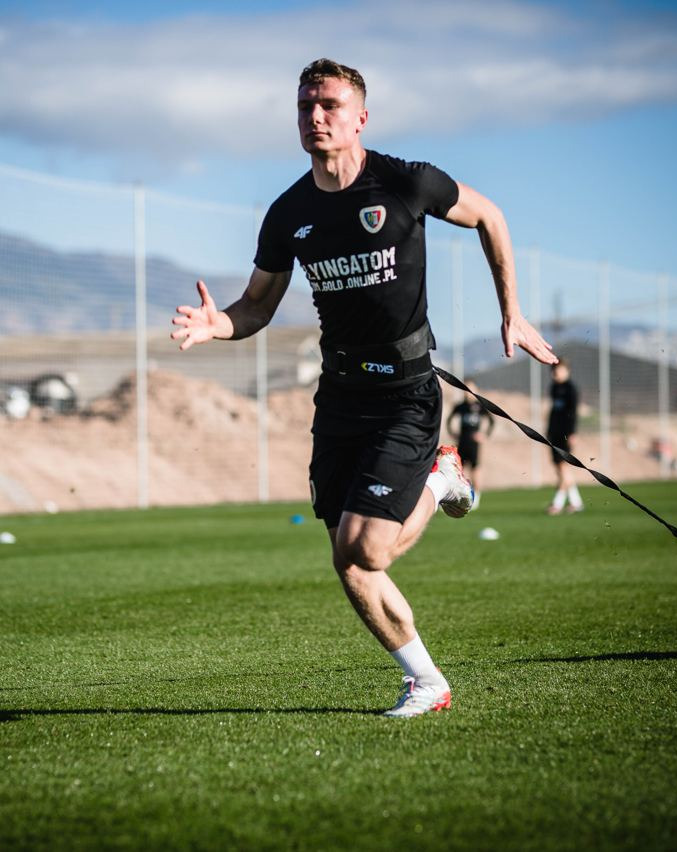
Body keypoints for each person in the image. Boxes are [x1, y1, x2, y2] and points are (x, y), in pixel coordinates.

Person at [171, 58, 555, 717]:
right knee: (351, 559)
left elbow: (490, 216)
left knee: (362, 554)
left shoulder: (406, 182)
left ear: (360, 118)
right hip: (340, 399)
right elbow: (257, 306)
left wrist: (511, 311)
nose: (315, 117)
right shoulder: (288, 213)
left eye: (329, 105)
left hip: (406, 397)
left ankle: (429, 673)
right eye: (305, 106)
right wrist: (219, 324)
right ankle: (439, 503)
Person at [545, 359, 583, 514]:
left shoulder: (571, 389)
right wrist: (549, 430)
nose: (555, 373)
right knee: (560, 468)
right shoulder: (554, 388)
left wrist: (572, 433)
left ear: (567, 371)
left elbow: (573, 413)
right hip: (554, 433)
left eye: (559, 370)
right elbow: (553, 411)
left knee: (563, 466)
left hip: (566, 434)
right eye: (553, 370)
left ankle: (558, 503)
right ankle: (576, 502)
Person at [446, 383, 495, 497]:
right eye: (466, 390)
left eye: (471, 390)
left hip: (474, 443)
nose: (468, 393)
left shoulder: (480, 406)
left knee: (475, 468)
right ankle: (459, 495)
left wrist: (485, 435)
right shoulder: (460, 406)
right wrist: (453, 433)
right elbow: (449, 421)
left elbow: (491, 421)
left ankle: (476, 495)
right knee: (459, 469)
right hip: (462, 442)